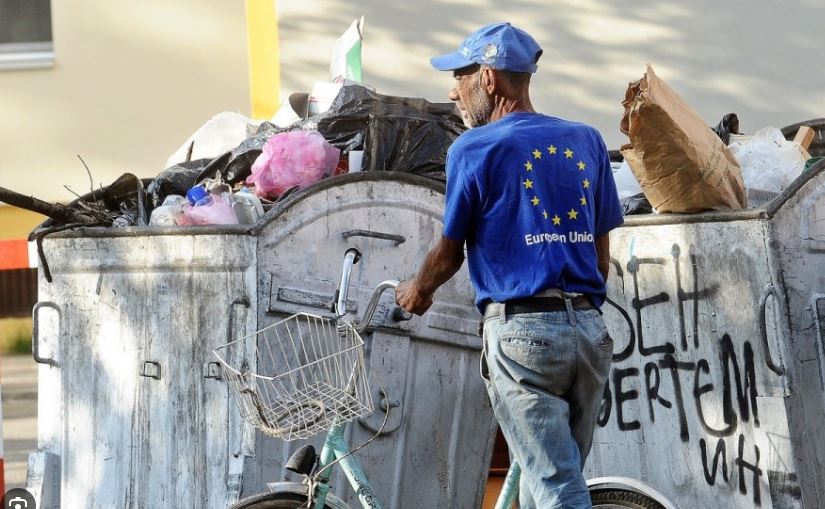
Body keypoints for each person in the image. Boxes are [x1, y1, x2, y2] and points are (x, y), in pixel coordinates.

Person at [395, 22, 624, 509]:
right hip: (588, 332)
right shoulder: (586, 141)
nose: (453, 90)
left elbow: (449, 251)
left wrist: (417, 292)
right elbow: (601, 259)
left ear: (490, 79)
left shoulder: (473, 148)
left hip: (524, 338)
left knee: (559, 492)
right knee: (555, 482)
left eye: (460, 76)